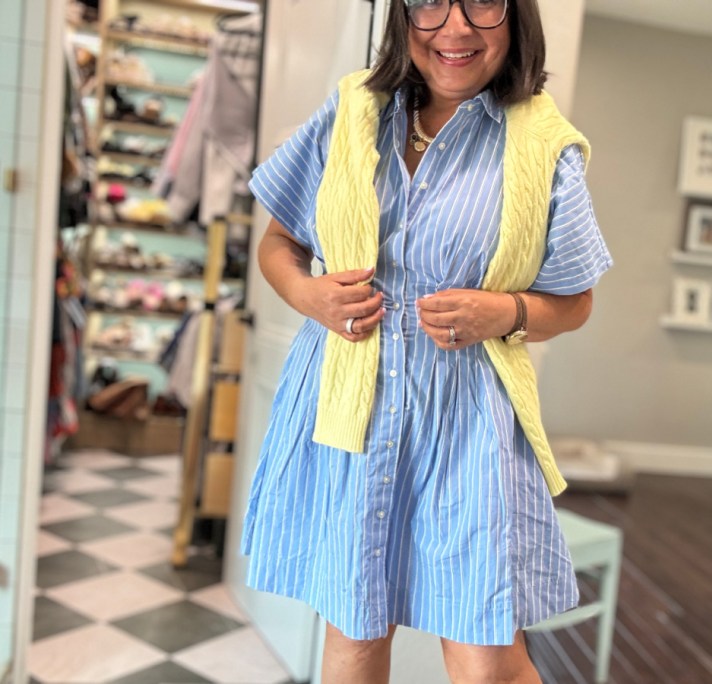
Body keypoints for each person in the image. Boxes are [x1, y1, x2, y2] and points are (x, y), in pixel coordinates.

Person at [241, 0, 612, 681]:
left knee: (486, 655)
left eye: (484, 2)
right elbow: (279, 244)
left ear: (517, 17)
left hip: (466, 415)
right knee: (354, 633)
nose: (457, 27)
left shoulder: (544, 143)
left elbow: (576, 299)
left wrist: (506, 311)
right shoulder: (352, 112)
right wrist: (310, 296)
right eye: (431, 2)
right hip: (349, 404)